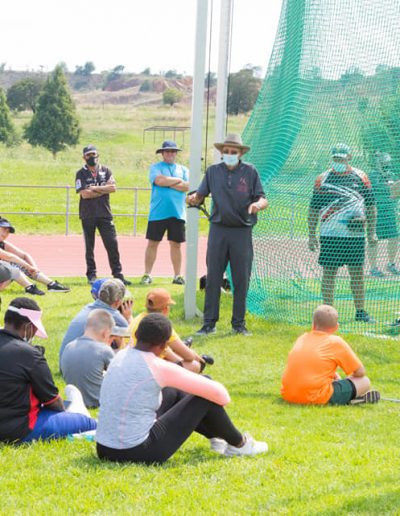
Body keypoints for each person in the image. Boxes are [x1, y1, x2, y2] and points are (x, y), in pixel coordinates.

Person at [96, 313, 268, 463]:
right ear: (164, 346)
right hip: (137, 451)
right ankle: (240, 444)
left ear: (136, 335)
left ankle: (217, 437)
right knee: (205, 393)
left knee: (174, 391)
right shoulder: (156, 365)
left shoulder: (120, 356)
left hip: (104, 448)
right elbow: (222, 395)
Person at [187, 134, 268, 336]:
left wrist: (257, 205)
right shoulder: (213, 171)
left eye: (233, 152)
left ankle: (238, 324)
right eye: (226, 151)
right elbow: (200, 195)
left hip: (242, 231)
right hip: (218, 230)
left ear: (240, 153)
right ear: (222, 153)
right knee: (213, 277)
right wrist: (194, 198)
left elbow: (262, 198)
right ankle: (209, 324)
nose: (229, 154)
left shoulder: (250, 171)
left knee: (241, 279)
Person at [0, 297, 96, 443]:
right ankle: (78, 413)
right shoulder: (29, 355)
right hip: (20, 429)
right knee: (89, 423)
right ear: (28, 326)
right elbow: (53, 402)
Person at [308, 143, 377, 323]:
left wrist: (371, 232)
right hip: (330, 235)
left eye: (342, 158)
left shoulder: (361, 177)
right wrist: (311, 235)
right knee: (329, 273)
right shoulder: (322, 179)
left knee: (357, 273)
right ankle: (327, 314)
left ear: (349, 158)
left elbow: (371, 206)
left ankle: (360, 312)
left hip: (355, 235)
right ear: (332, 158)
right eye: (336, 158)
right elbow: (313, 209)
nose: (339, 161)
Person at [281, 305, 380, 405]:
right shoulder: (335, 342)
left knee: (335, 380)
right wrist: (346, 381)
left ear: (313, 324)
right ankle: (350, 398)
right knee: (364, 381)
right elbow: (360, 372)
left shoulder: (302, 338)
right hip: (315, 397)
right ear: (336, 327)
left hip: (288, 394)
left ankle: (350, 397)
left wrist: (334, 377)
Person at [75, 144, 131, 286]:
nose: (91, 157)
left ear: (98, 155)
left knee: (112, 244)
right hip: (87, 214)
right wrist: (103, 189)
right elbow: (85, 194)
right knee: (90, 246)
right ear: (84, 157)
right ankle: (91, 275)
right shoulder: (80, 173)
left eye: (93, 154)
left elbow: (113, 188)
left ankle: (118, 274)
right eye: (88, 155)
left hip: (105, 214)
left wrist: (94, 188)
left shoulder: (106, 171)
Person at [141, 141, 189, 286]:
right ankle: (147, 274)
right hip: (158, 212)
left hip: (177, 213)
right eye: (167, 151)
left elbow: (187, 186)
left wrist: (169, 182)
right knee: (152, 243)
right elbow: (159, 181)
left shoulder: (183, 169)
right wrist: (178, 181)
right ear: (162, 153)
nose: (170, 154)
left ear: (176, 153)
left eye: (173, 151)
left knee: (176, 245)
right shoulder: (155, 167)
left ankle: (177, 275)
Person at [130, 288, 213, 373]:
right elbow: (189, 357)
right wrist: (194, 355)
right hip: (149, 368)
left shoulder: (138, 318)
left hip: (133, 363)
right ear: (166, 309)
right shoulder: (161, 325)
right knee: (195, 365)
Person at [59, 278, 132, 366]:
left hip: (64, 364)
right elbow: (131, 341)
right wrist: (128, 317)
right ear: (118, 302)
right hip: (85, 368)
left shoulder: (87, 307)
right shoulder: (115, 315)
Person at [0, 217, 70, 295]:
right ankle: (29, 287)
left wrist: (34, 269)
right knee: (9, 263)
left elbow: (24, 255)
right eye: (3, 229)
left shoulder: (3, 244)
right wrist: (28, 267)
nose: (5, 234)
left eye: (8, 232)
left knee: (17, 263)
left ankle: (51, 284)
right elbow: (8, 257)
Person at [60, 309, 115, 408]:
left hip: (74, 400)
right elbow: (119, 377)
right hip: (97, 401)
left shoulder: (68, 347)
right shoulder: (103, 350)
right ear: (106, 333)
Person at [367, 152, 400, 276]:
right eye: (383, 163)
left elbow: (396, 193)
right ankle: (373, 268)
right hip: (376, 213)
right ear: (378, 164)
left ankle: (391, 264)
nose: (386, 165)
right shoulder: (372, 176)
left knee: (394, 237)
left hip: (390, 212)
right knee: (374, 239)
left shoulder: (392, 175)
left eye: (388, 163)